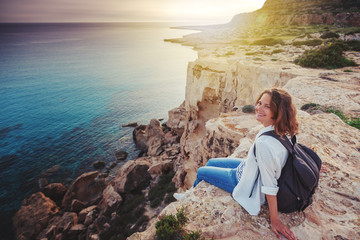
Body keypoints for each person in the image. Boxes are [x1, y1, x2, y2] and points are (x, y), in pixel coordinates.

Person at [174, 88, 297, 240]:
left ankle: (187, 198)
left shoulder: (265, 144)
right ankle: (189, 193)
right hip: (248, 167)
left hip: (242, 180)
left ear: (278, 112)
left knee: (201, 172)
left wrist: (275, 220)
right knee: (212, 161)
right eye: (259, 103)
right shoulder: (284, 131)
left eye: (267, 106)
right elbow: (293, 151)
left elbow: (269, 184)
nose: (258, 108)